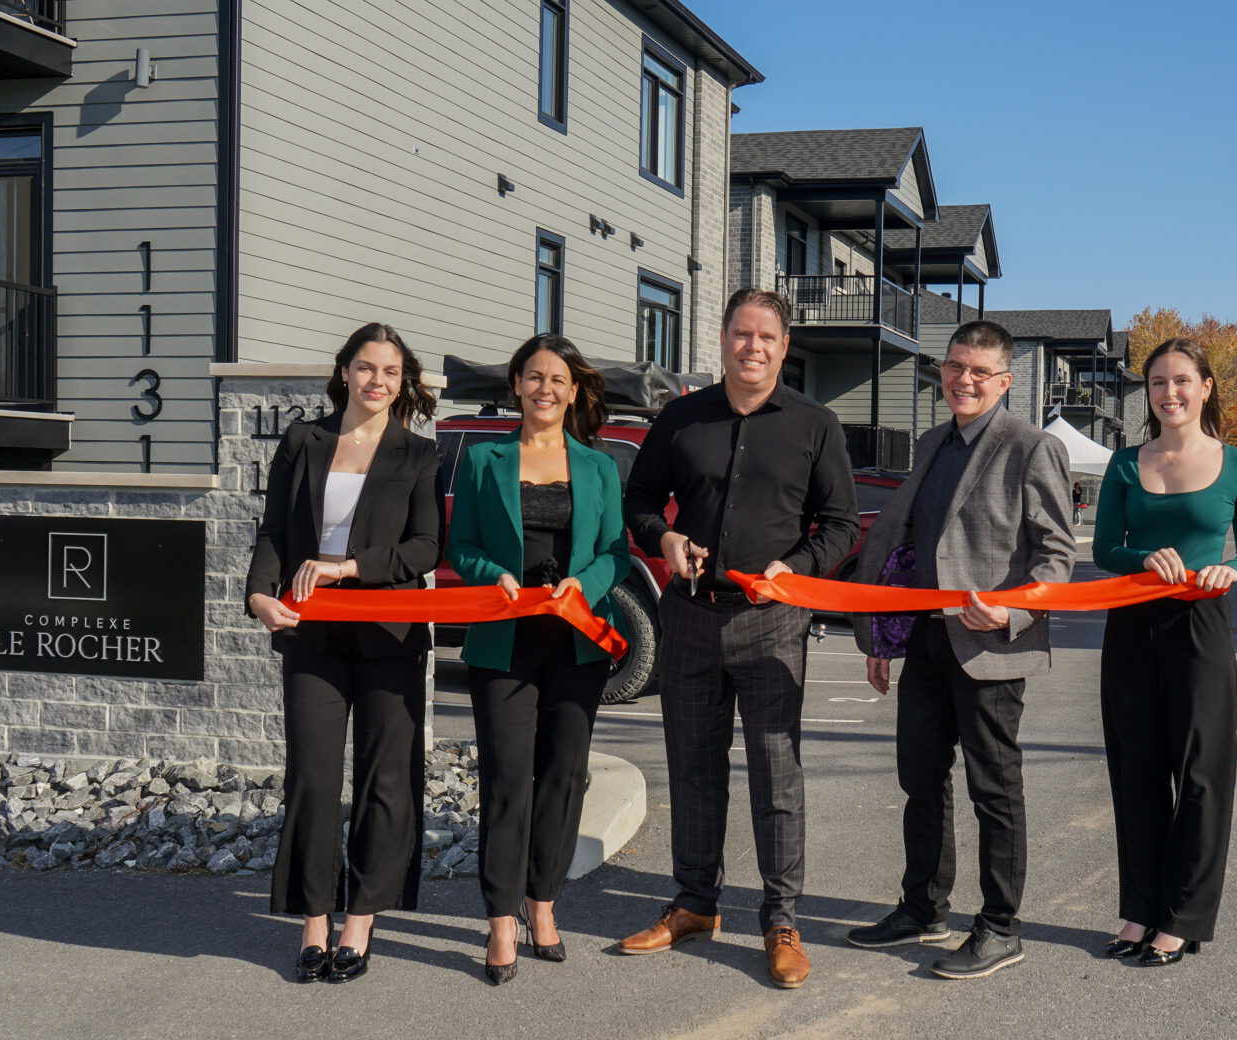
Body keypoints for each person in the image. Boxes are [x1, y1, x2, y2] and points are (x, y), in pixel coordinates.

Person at [619, 287, 860, 990]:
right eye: (741, 334)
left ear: (785, 347)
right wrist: (661, 535)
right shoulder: (681, 418)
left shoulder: (815, 425)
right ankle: (695, 904)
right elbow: (639, 501)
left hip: (773, 621)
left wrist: (801, 568)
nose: (752, 347)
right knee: (692, 769)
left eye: (766, 337)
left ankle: (781, 920)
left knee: (775, 776)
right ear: (722, 337)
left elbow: (840, 523)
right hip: (690, 616)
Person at [847, 320, 1075, 980]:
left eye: (979, 372)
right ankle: (924, 907)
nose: (963, 380)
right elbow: (912, 549)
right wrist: (882, 635)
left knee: (993, 789)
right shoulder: (931, 442)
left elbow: (1058, 558)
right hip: (925, 642)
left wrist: (1013, 605)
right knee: (920, 780)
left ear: (1005, 382)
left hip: (991, 648)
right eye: (954, 367)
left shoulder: (1032, 448)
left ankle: (1001, 925)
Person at [245, 322, 442, 984]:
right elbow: (274, 528)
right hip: (311, 634)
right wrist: (257, 595)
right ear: (344, 371)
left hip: (389, 634)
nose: (377, 381)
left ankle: (361, 918)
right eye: (366, 368)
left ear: (402, 381)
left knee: (387, 778)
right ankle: (313, 918)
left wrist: (347, 567)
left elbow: (424, 550)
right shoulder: (304, 440)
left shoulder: (417, 453)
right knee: (314, 776)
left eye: (390, 372)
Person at [446, 333, 629, 985]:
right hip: (504, 640)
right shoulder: (482, 459)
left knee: (562, 776)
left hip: (576, 640)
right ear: (516, 386)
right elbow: (459, 544)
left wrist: (589, 584)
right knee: (504, 780)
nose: (544, 388)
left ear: (574, 390)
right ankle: (500, 919)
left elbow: (617, 552)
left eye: (557, 379)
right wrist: (491, 571)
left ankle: (541, 903)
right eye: (532, 377)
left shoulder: (600, 466)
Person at [1092, 337, 1237, 966]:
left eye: (1182, 381)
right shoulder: (1122, 463)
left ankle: (1184, 917)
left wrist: (1234, 571)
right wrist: (1142, 557)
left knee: (1199, 775)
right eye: (1159, 382)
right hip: (1132, 626)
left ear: (1206, 387)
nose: (1170, 393)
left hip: (1202, 625)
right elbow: (1104, 549)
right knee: (1136, 772)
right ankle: (1140, 912)